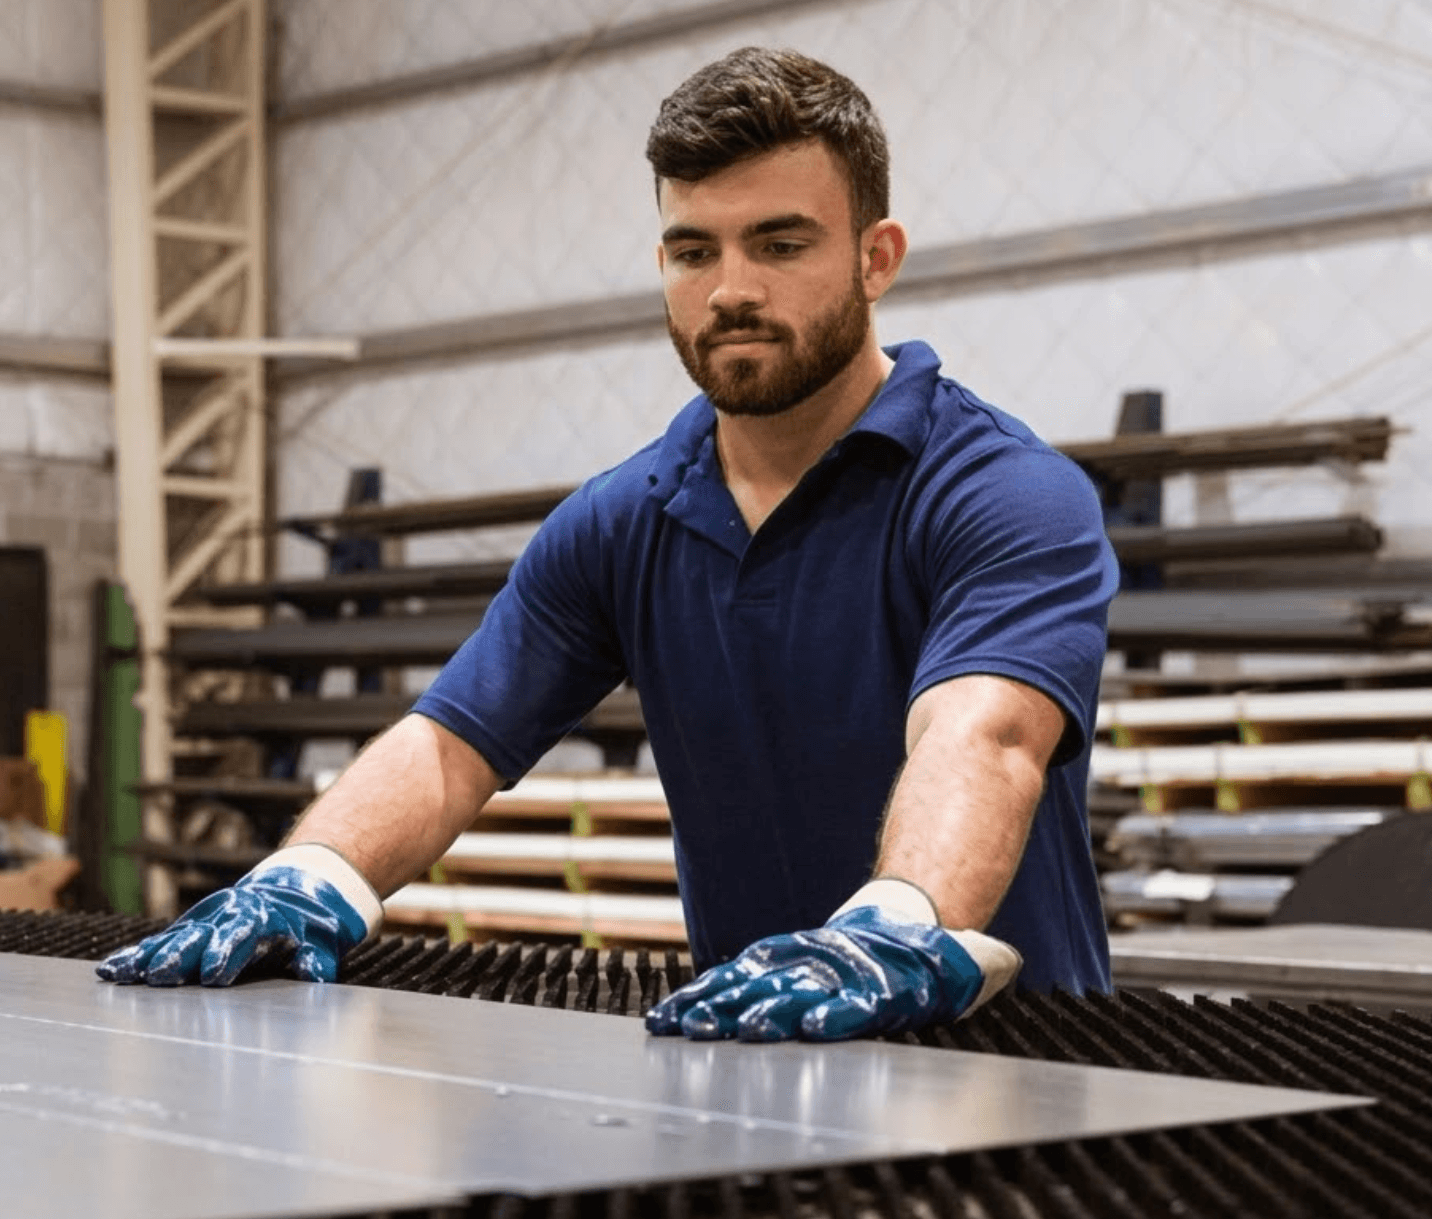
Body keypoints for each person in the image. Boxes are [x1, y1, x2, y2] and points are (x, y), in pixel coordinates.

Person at [99, 47, 1119, 1042]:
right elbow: (450, 747)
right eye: (692, 250)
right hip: (753, 1051)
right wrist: (309, 874)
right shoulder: (623, 522)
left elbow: (982, 737)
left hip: (1011, 1067)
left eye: (780, 243)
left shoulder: (1004, 494)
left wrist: (896, 926)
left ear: (875, 257)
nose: (730, 289)